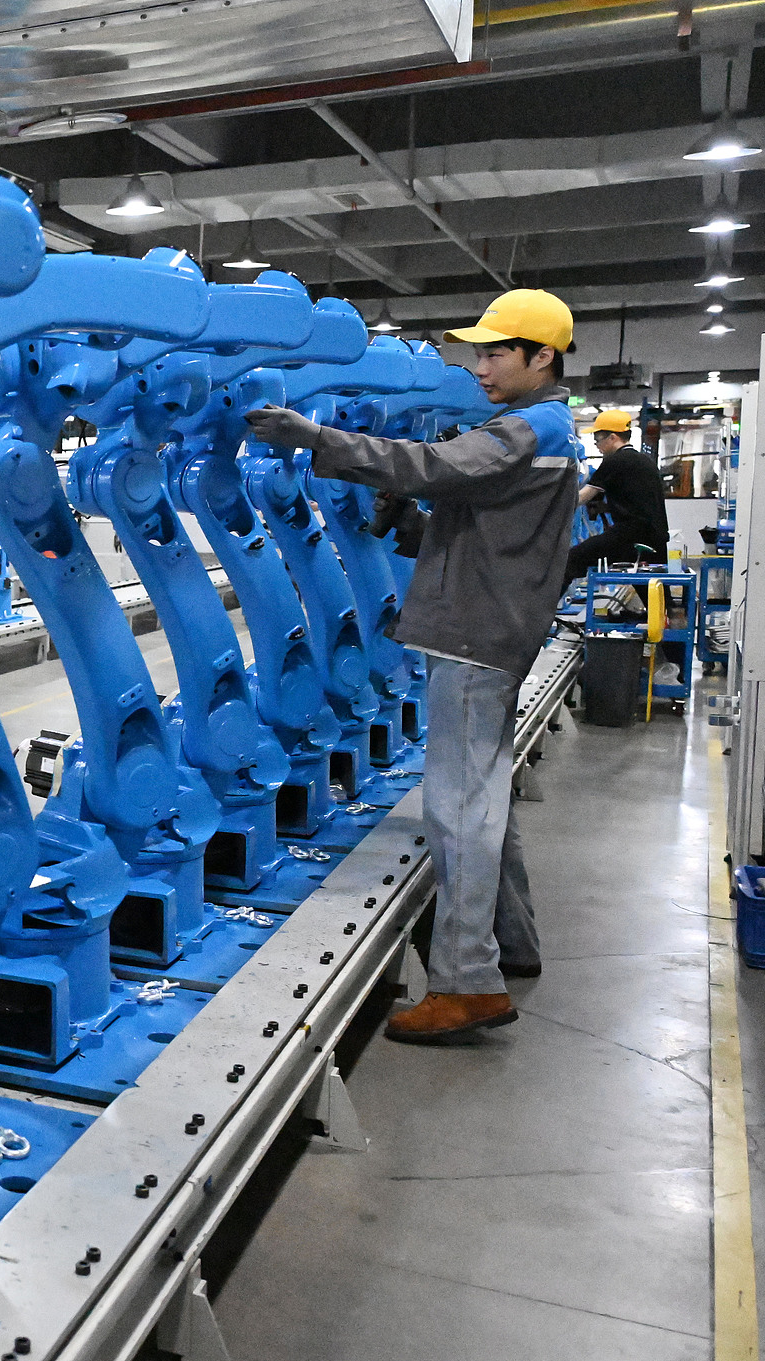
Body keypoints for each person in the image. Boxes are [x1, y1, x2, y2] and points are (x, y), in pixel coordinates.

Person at [246, 288, 580, 1045]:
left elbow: (433, 463)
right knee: (484, 793)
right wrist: (407, 522)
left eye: (498, 352)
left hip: (474, 637)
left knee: (458, 809)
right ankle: (512, 941)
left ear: (543, 357)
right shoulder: (538, 428)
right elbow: (480, 525)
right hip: (486, 625)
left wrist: (315, 438)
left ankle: (467, 983)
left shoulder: (528, 429)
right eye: (480, 350)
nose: (481, 365)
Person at [564, 408, 668, 593]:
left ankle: (540, 614)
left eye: (598, 439)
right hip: (655, 536)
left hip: (630, 536)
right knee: (651, 587)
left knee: (572, 559)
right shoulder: (644, 461)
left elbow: (581, 497)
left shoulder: (615, 461)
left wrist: (551, 504)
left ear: (612, 437)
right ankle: (669, 617)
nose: (596, 445)